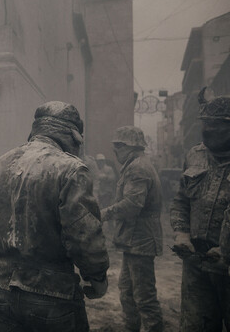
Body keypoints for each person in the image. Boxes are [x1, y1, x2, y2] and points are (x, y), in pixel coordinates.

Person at [0, 101, 109, 332]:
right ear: (72, 135)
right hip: (52, 293)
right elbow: (84, 234)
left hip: (1, 288)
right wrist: (97, 276)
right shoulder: (71, 168)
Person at [171, 89, 230, 331]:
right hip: (196, 265)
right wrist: (181, 233)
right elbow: (181, 201)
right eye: (205, 124)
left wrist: (227, 251)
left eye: (216, 125)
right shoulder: (195, 155)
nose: (208, 131)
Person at [101, 126, 163, 332]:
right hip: (133, 240)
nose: (115, 151)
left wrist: (105, 213)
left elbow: (132, 204)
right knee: (127, 291)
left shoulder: (138, 168)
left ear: (131, 147)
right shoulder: (134, 165)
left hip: (141, 238)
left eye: (119, 147)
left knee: (144, 296)